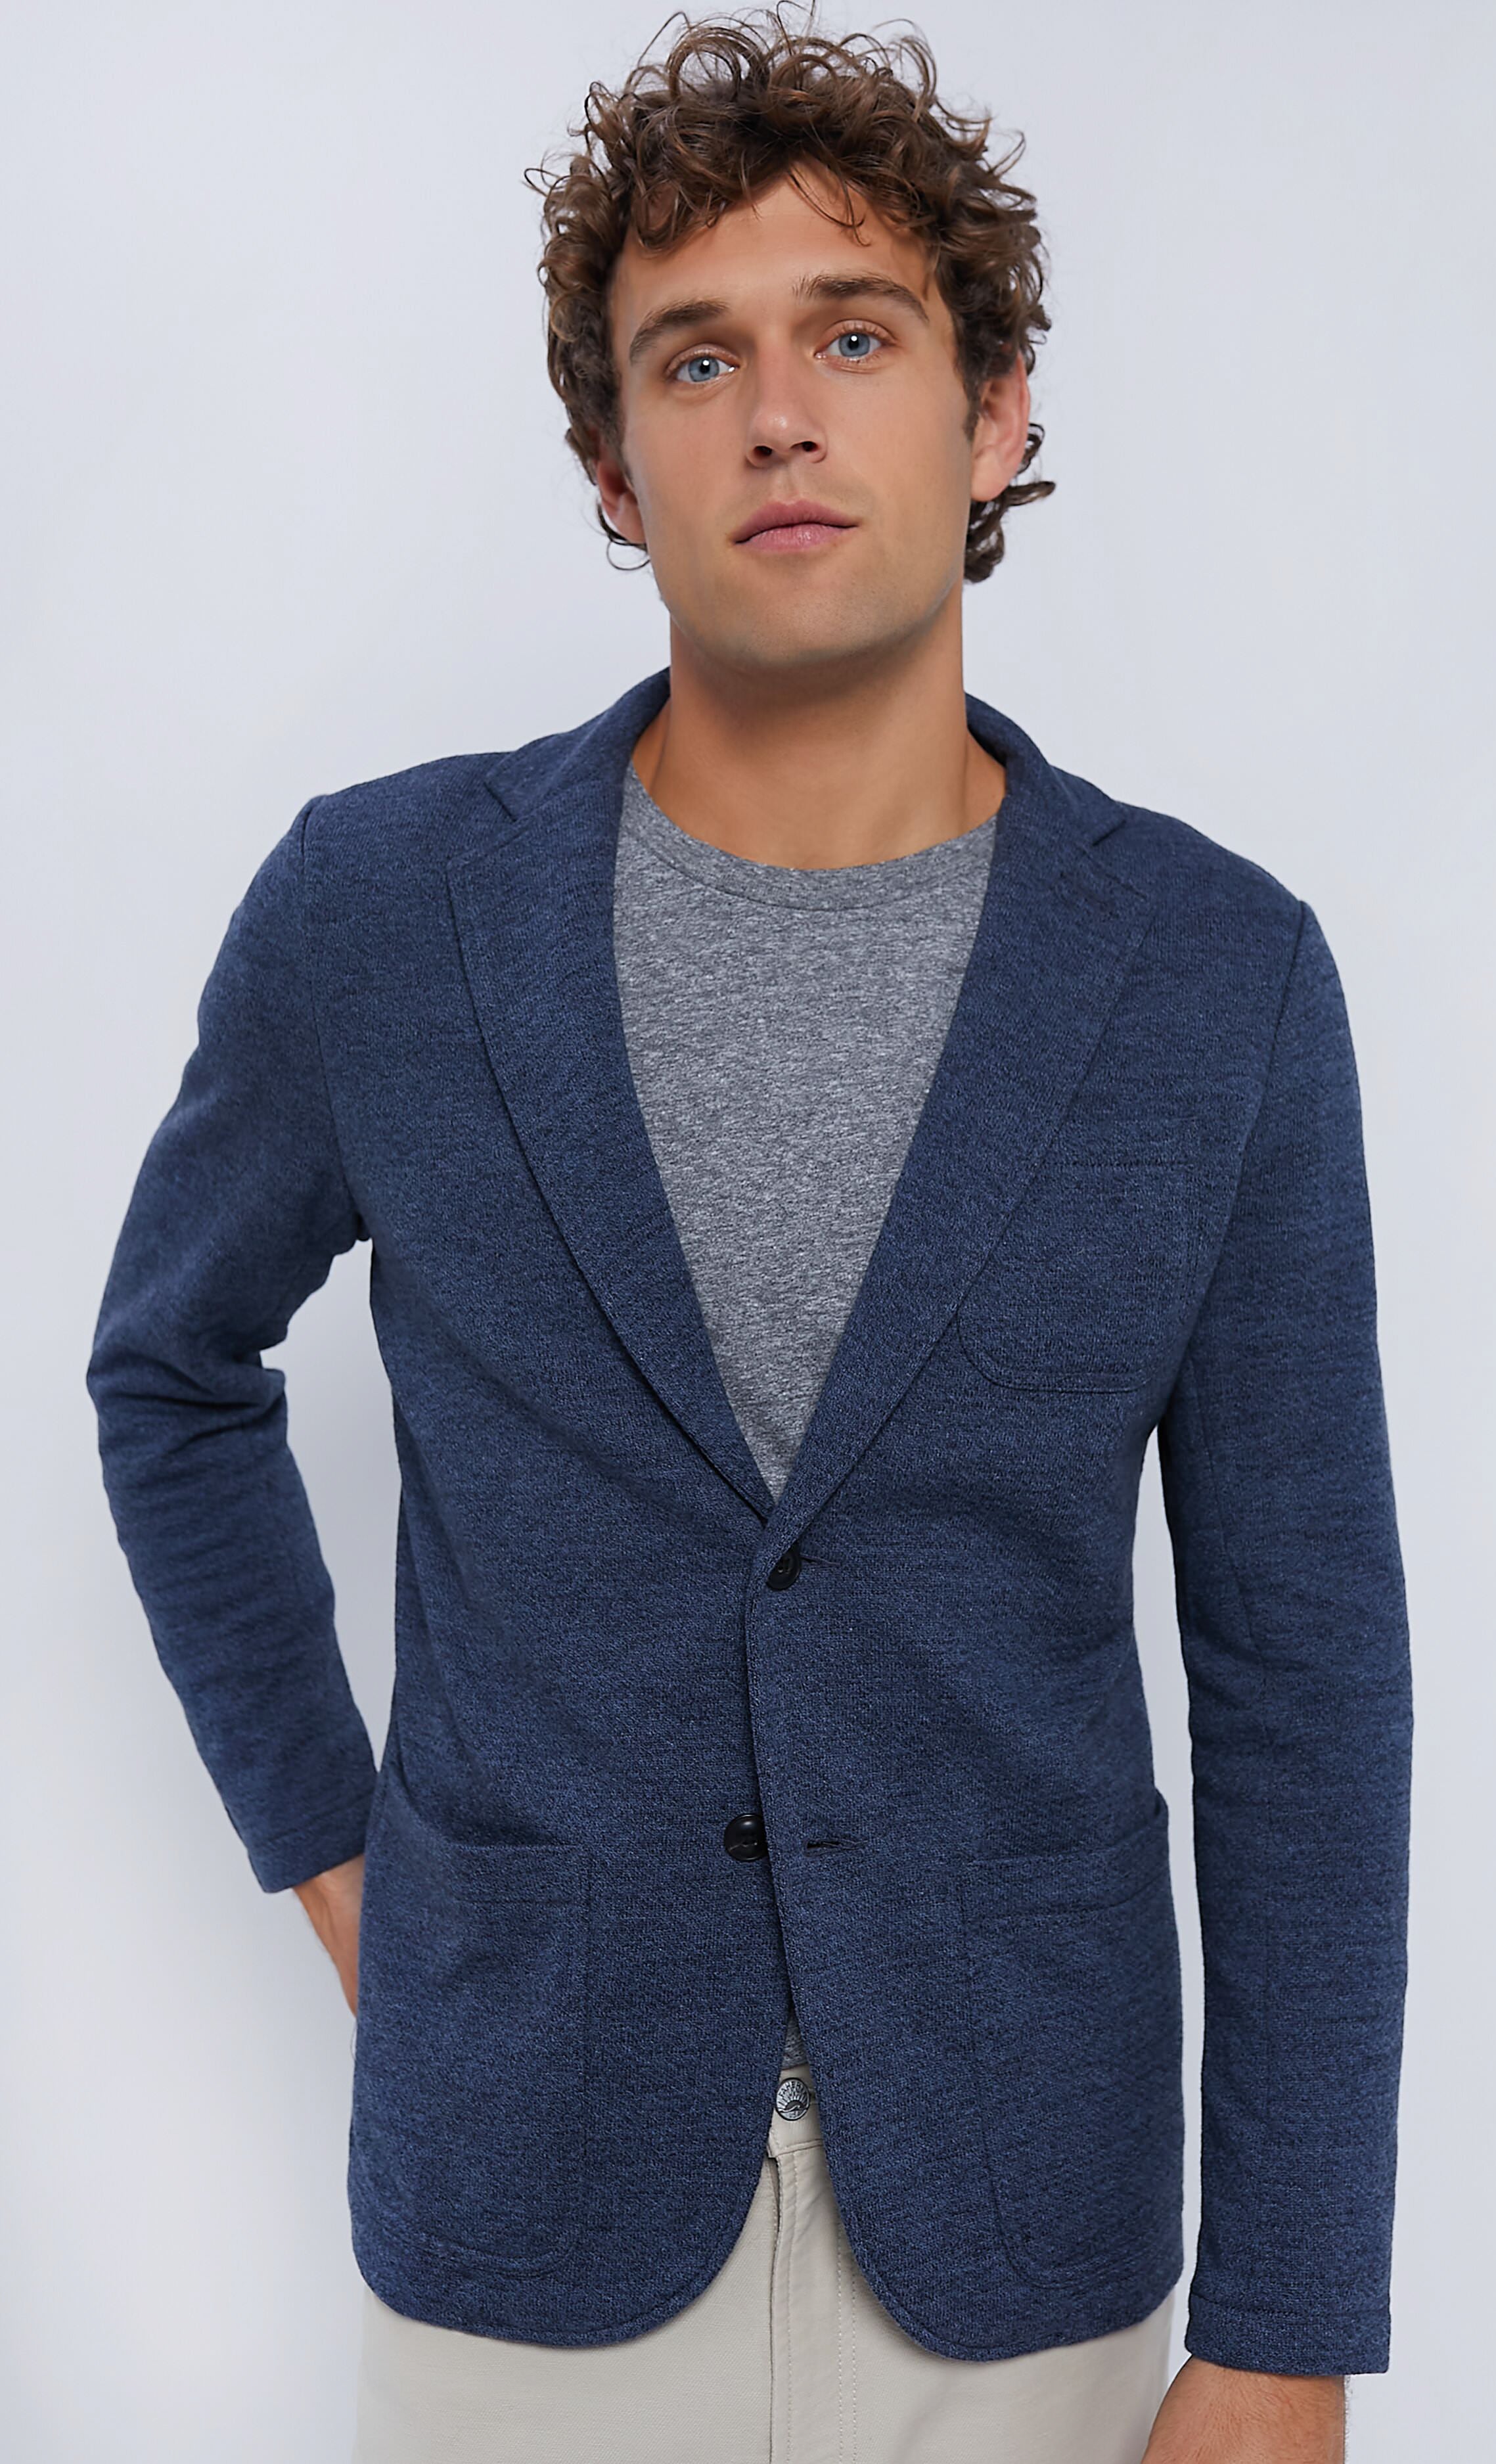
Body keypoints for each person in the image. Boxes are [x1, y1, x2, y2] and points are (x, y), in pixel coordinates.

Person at [87, 16, 1411, 2463]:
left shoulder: (1215, 979)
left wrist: (1287, 2324)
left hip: (1025, 2233)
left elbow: (1304, 1661)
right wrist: (344, 1861)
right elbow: (170, 1374)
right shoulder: (380, 914)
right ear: (613, 465)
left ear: (994, 414)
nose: (777, 416)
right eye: (694, 359)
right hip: (518, 2211)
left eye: (855, 337)